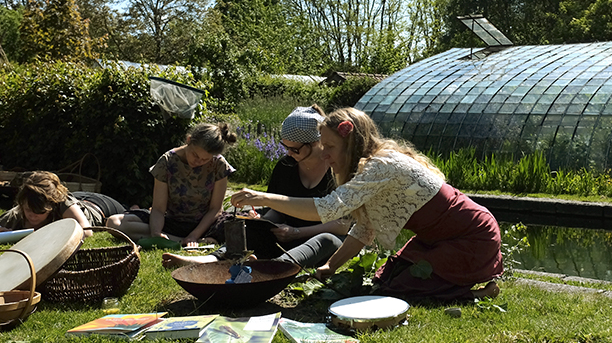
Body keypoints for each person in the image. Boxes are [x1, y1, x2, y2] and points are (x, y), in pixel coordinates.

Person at [231, 107, 503, 302]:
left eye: (330, 147)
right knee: (383, 280)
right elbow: (364, 228)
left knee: (401, 290)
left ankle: (475, 293)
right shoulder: (370, 169)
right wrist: (331, 267)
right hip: (438, 238)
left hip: (472, 236)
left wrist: (263, 197)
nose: (324, 155)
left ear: (352, 143)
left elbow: (328, 208)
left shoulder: (382, 165)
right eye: (321, 146)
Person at [162, 105, 351, 268]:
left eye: (295, 149)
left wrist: (297, 232)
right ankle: (212, 259)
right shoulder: (286, 166)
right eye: (285, 147)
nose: (289, 153)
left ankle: (278, 267)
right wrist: (265, 221)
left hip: (321, 236)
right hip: (284, 235)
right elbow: (277, 209)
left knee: (325, 240)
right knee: (250, 230)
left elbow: (343, 224)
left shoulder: (337, 170)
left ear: (317, 143)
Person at [106, 122, 237, 248]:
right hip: (172, 222)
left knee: (237, 227)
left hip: (204, 224)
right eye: (195, 155)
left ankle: (189, 239)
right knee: (114, 223)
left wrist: (194, 235)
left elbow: (215, 209)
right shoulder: (167, 161)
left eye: (205, 159)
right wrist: (156, 232)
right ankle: (184, 241)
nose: (198, 162)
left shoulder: (219, 164)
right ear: (189, 140)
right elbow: (158, 208)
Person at [0, 171, 128, 237]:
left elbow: (87, 232)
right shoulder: (17, 214)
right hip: (78, 198)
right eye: (28, 210)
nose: (33, 215)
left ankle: (134, 207)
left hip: (98, 205)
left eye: (40, 212)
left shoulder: (62, 202)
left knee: (128, 211)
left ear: (51, 206)